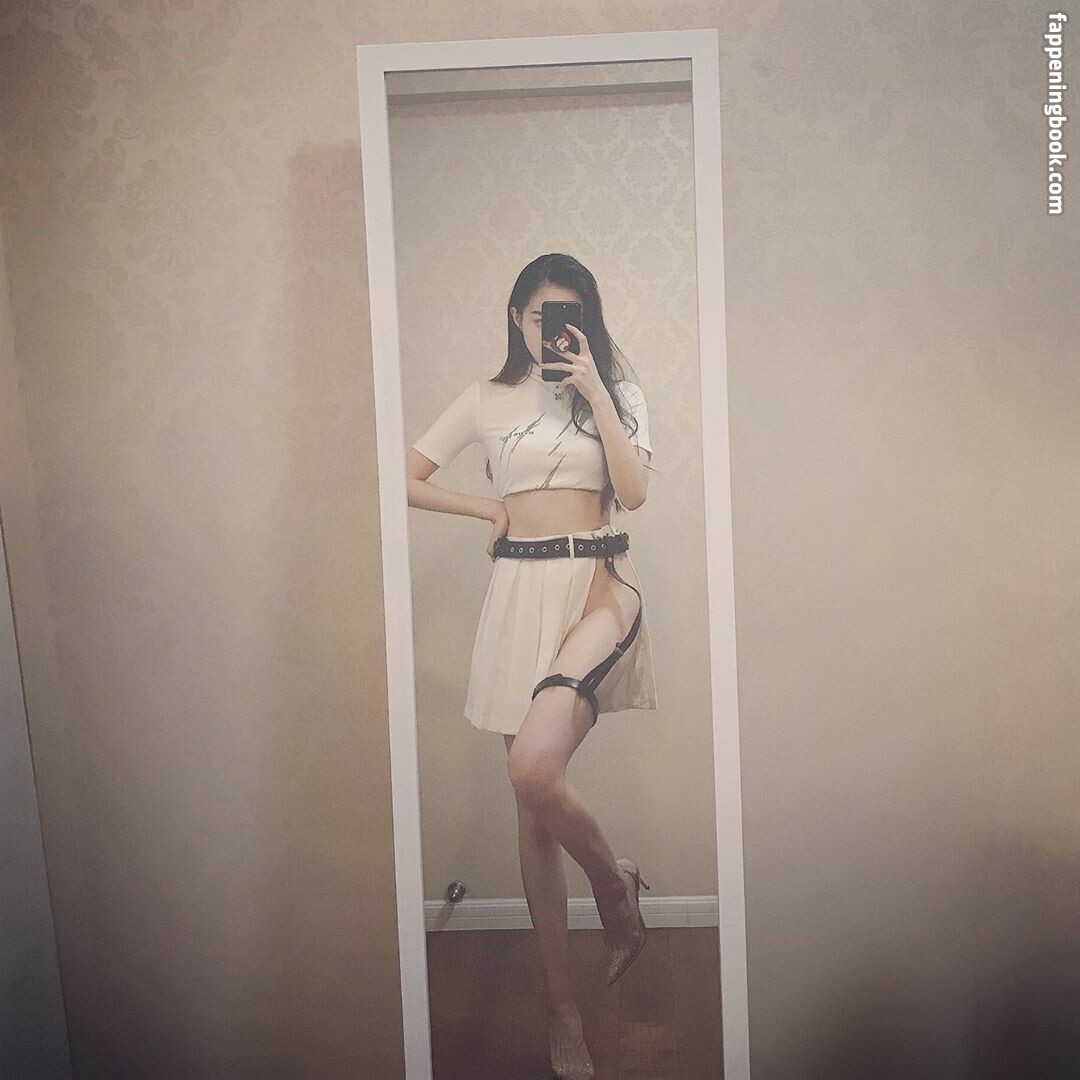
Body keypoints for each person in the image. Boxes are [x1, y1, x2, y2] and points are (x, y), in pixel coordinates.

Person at [406, 253, 659, 1080]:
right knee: (532, 808)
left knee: (534, 766)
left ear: (587, 318)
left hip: (598, 587)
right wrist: (485, 506)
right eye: (541, 314)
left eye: (570, 313)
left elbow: (635, 492)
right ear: (517, 318)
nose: (554, 328)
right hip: (518, 597)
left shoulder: (619, 392)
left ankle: (613, 894)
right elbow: (402, 476)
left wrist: (596, 394)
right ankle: (563, 1013)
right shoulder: (486, 399)